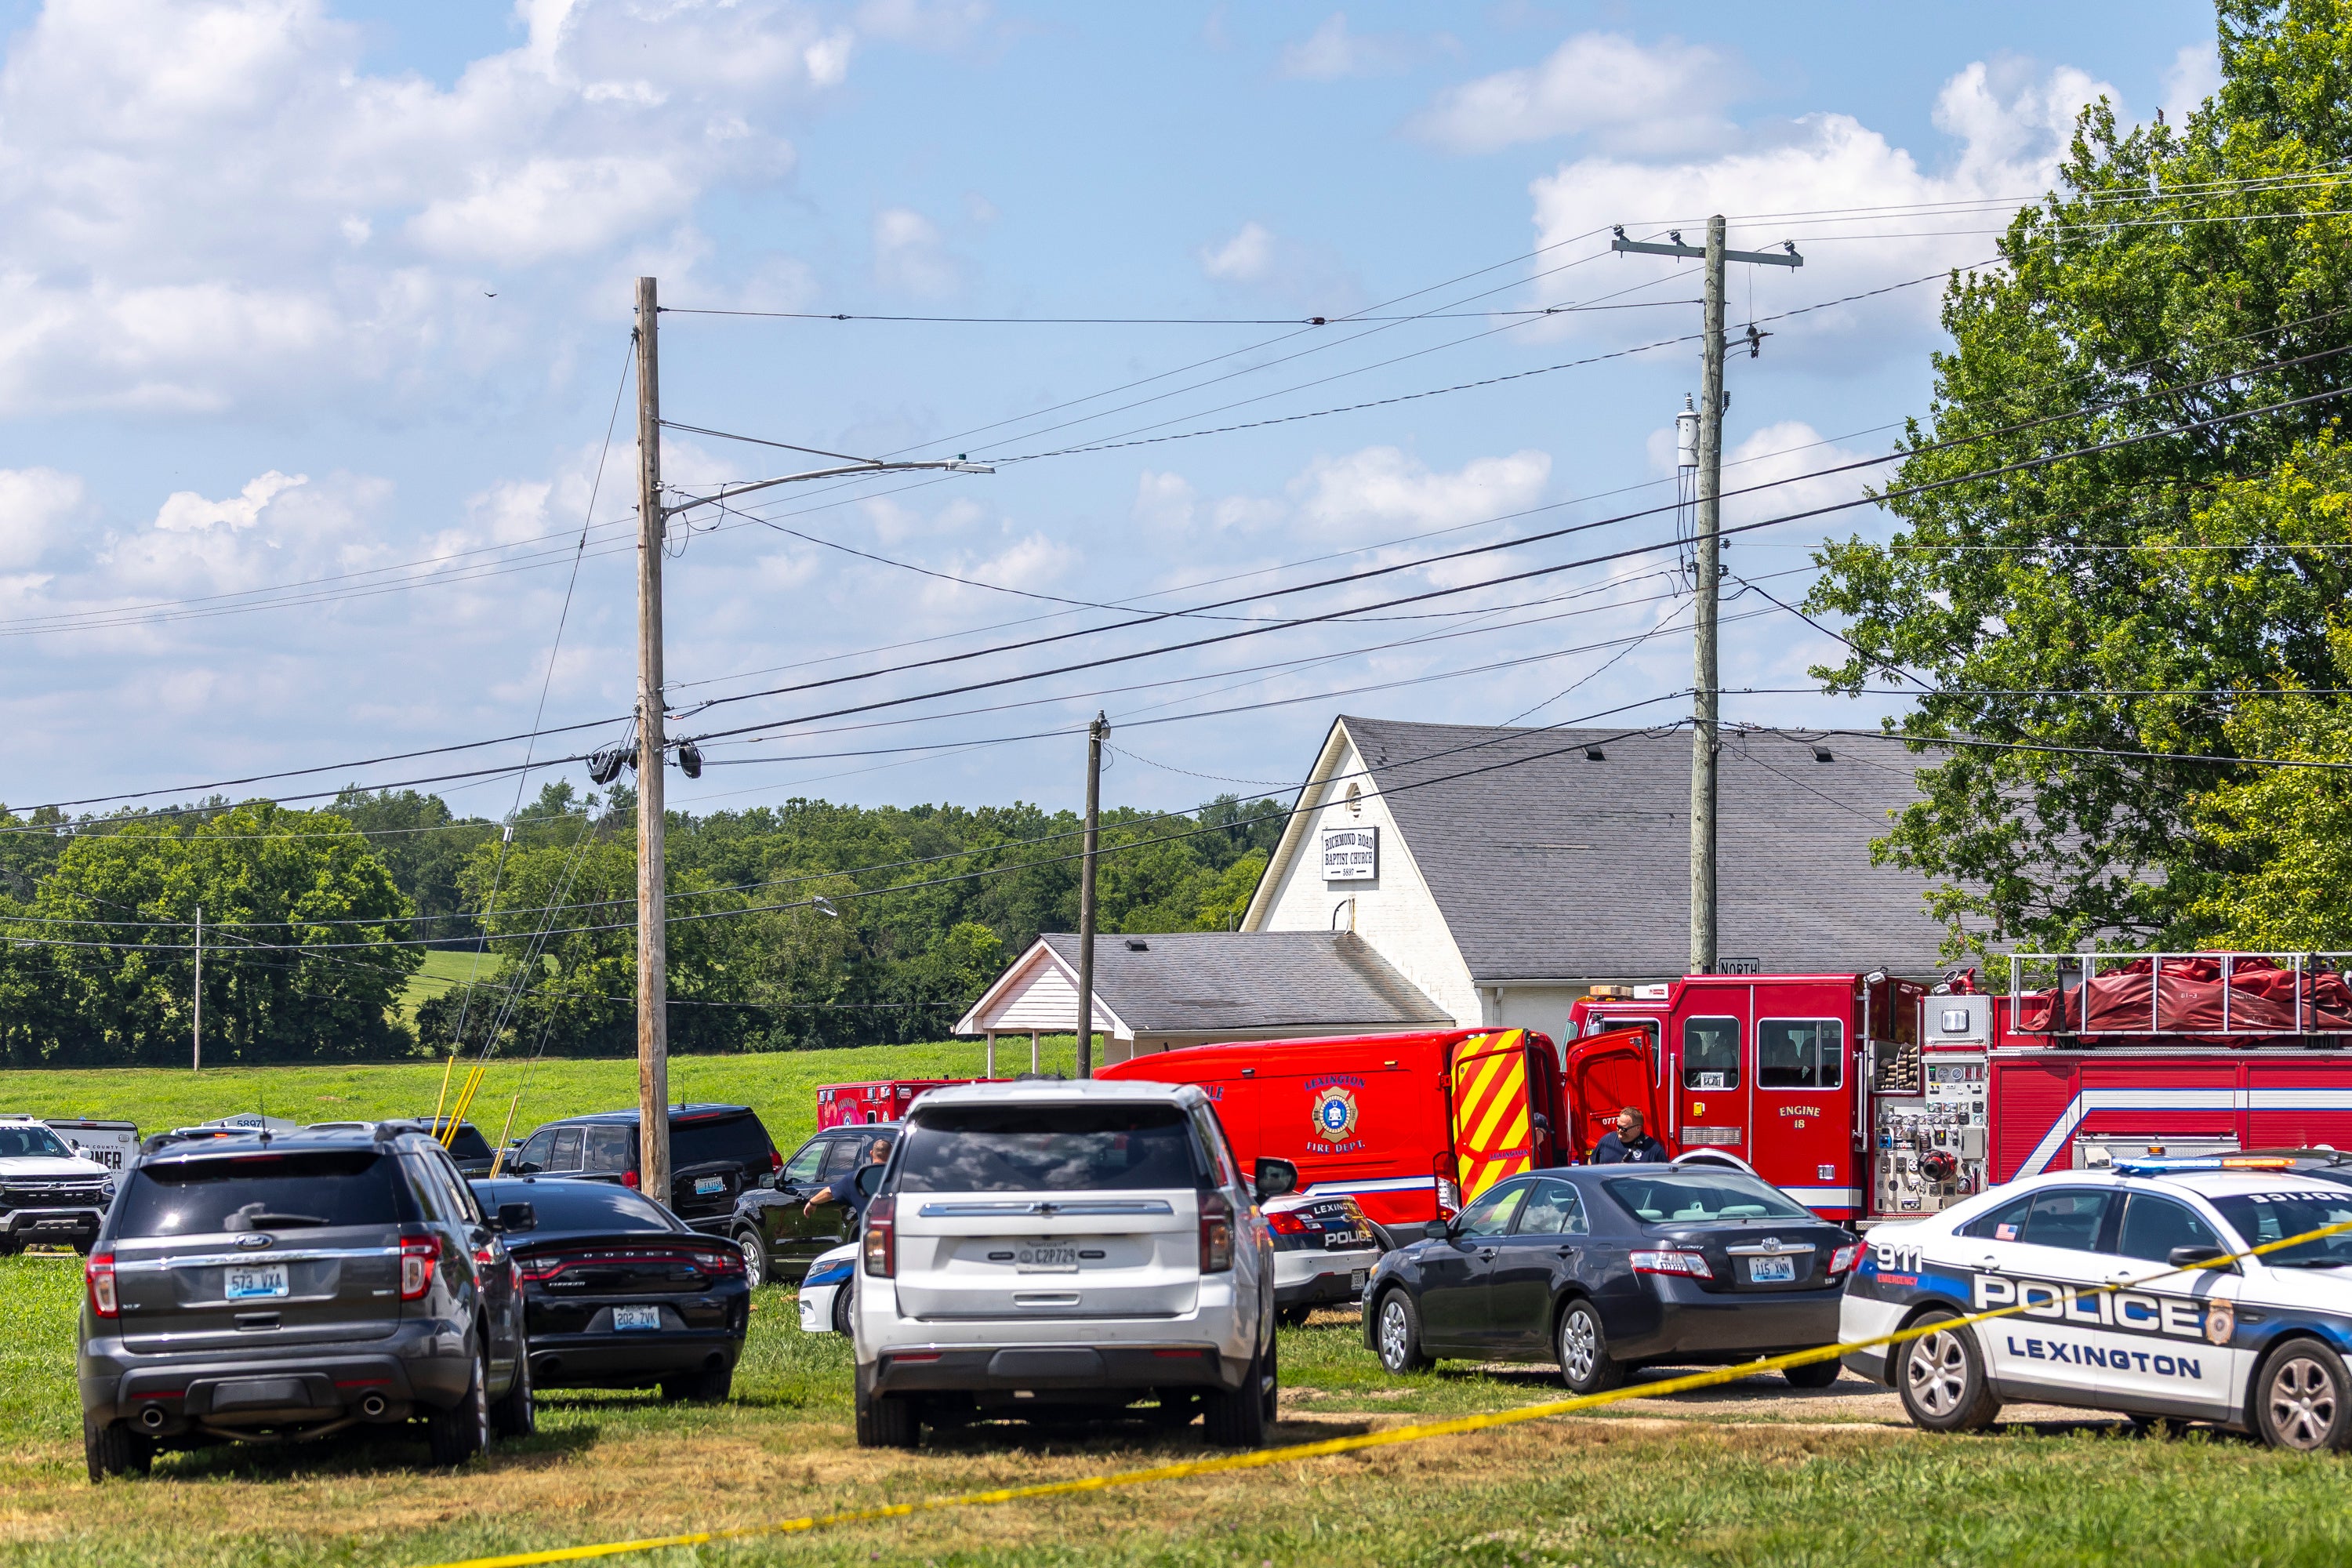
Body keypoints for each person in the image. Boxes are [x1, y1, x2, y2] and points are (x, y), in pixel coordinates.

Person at [804, 1134, 894, 1225]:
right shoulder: (901, 1176)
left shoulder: (855, 1178)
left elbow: (829, 1192)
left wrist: (812, 1202)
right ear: (893, 1154)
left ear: (871, 1153)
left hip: (871, 1235)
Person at [1591, 1106, 1666, 1164]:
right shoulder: (1606, 1140)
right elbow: (1591, 1163)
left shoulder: (1654, 1150)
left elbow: (1664, 1175)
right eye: (1618, 1126)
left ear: (1638, 1128)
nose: (1620, 1131)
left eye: (1624, 1129)